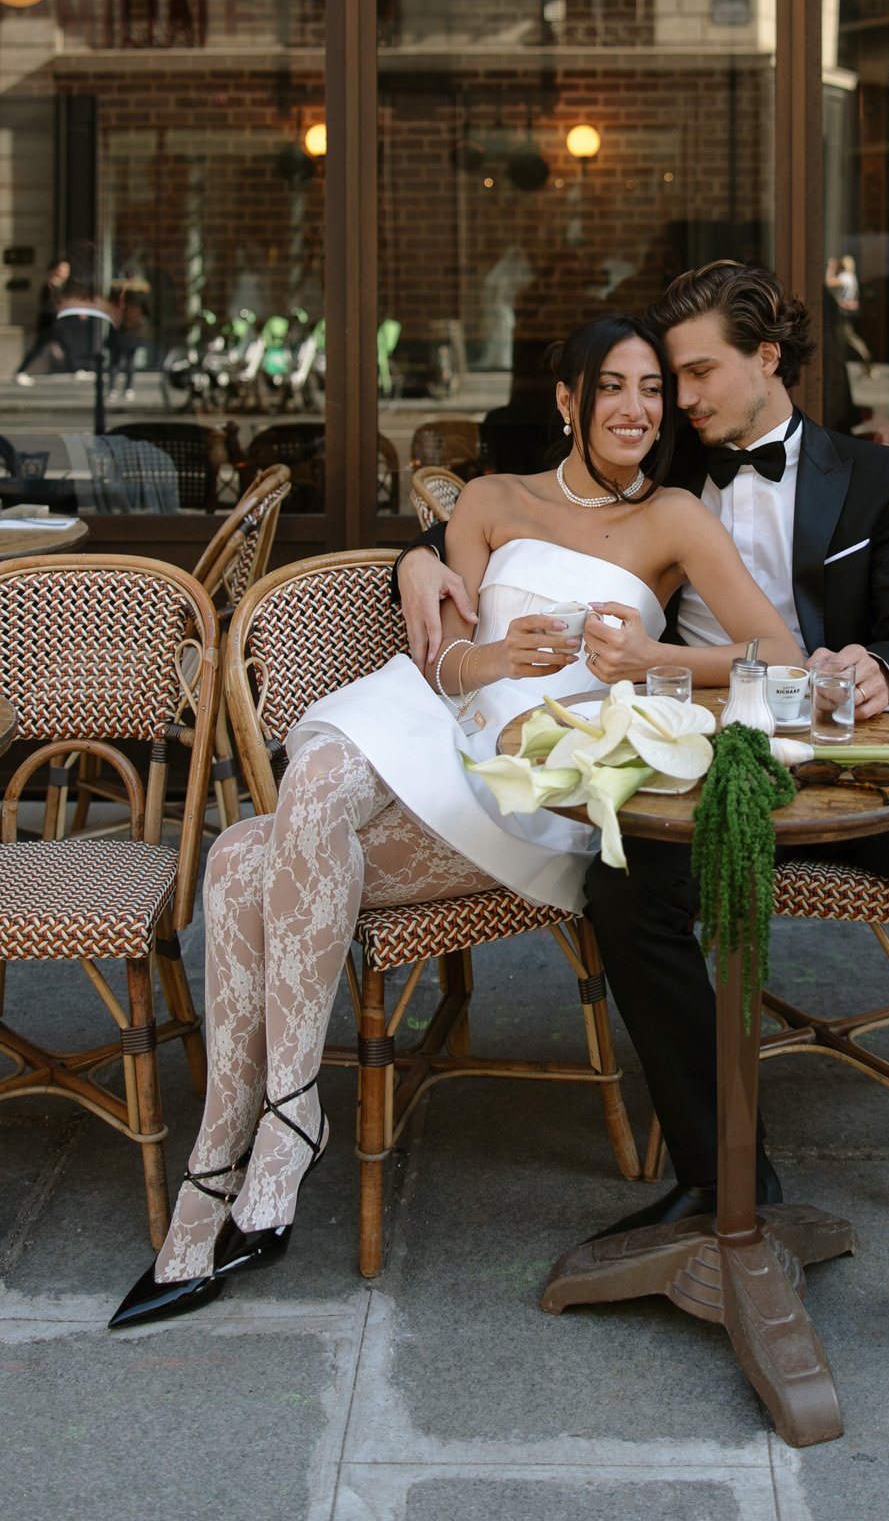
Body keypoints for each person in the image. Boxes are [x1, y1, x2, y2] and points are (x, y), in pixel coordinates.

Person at [397, 262, 889, 1448]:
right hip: (697, 760)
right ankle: (722, 1176)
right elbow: (520, 512)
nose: (677, 398)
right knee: (622, 890)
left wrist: (877, 668)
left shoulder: (879, 478)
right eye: (666, 378)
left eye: (697, 372)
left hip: (865, 753)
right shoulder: (656, 472)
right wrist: (419, 556)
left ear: (768, 361)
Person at [109, 312, 800, 1331]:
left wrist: (651, 660)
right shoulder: (488, 499)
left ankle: (224, 1167)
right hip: (439, 721)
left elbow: (779, 657)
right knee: (316, 774)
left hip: (534, 781)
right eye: (612, 386)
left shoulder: (675, 518)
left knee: (242, 858)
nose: (637, 408)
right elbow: (444, 663)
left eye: (653, 389)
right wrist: (498, 655)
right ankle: (280, 1126)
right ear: (566, 400)